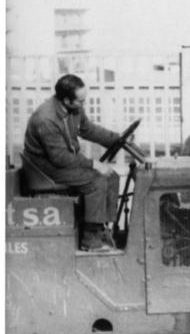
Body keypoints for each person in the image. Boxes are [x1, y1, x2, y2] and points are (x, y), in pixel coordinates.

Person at [23, 74, 124, 252]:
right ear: (66, 100)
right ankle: (90, 240)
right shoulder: (45, 119)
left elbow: (88, 129)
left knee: (112, 176)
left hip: (61, 159)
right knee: (96, 181)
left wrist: (117, 139)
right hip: (45, 168)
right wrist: (93, 164)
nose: (83, 105)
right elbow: (60, 158)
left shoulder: (74, 108)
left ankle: (101, 227)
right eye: (80, 101)